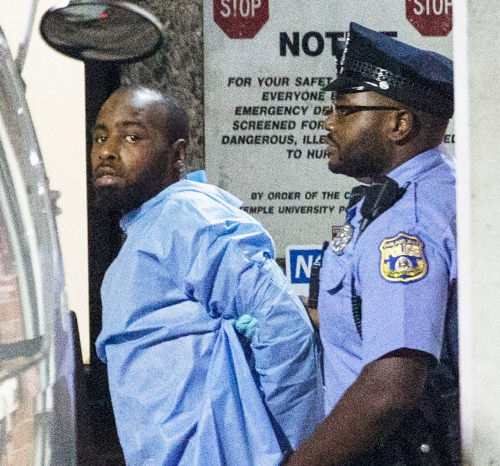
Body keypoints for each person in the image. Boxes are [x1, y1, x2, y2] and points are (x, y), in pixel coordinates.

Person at [93, 85, 323, 465]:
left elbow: (283, 321)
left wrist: (306, 451)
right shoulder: (149, 227)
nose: (107, 151)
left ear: (178, 154)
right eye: (101, 137)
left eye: (132, 137)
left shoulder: (187, 217)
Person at [286, 23, 459, 465]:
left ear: (399, 124)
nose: (328, 122)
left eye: (346, 110)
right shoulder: (426, 191)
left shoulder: (406, 224)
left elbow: (390, 389)